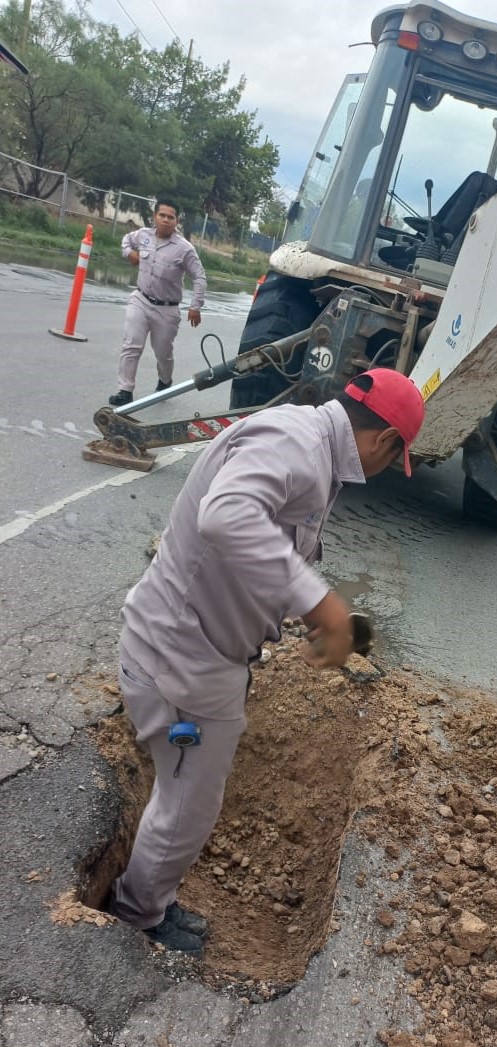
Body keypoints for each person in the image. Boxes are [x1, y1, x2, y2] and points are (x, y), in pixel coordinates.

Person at [110, 368, 425, 956]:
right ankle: (138, 916)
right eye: (395, 458)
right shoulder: (297, 447)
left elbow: (264, 543)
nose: (388, 470)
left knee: (186, 790)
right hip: (183, 663)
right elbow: (226, 516)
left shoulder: (306, 443)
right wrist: (320, 603)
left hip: (189, 652)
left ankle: (145, 902)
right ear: (385, 442)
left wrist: (305, 613)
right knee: (188, 802)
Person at [108, 198, 206, 407]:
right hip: (140, 300)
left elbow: (199, 276)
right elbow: (126, 240)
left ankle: (165, 381)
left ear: (176, 221)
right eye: (162, 215)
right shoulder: (142, 236)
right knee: (131, 344)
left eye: (171, 217)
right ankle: (125, 391)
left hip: (166, 310)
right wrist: (129, 254)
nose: (166, 220)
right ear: (155, 217)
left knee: (163, 352)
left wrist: (195, 306)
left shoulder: (184, 249)